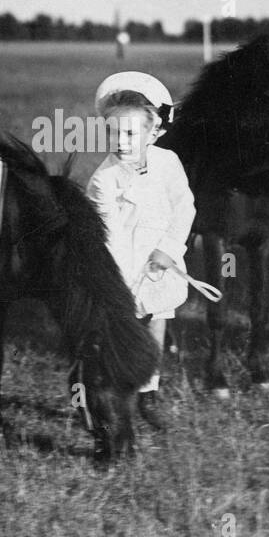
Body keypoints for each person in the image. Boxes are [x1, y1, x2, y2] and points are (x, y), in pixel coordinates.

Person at [86, 72, 196, 429]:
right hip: (122, 265)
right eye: (113, 132)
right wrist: (123, 281)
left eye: (131, 133)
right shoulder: (104, 179)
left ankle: (149, 393)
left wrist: (167, 251)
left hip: (159, 261)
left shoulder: (168, 163)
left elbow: (185, 208)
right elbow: (110, 235)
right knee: (121, 332)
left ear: (154, 133)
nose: (121, 141)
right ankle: (113, 397)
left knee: (156, 324)